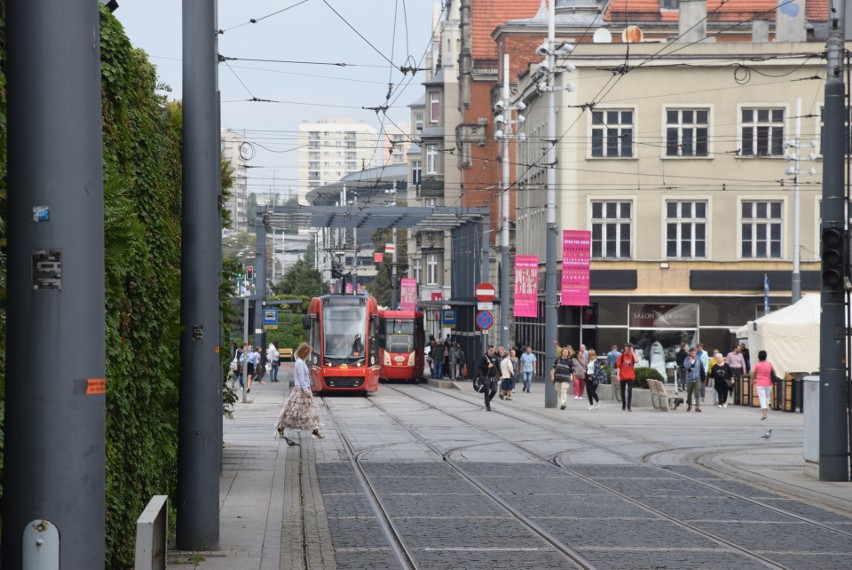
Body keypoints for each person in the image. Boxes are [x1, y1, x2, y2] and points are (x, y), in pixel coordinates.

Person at [275, 342, 324, 439]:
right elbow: (302, 378)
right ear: (304, 352)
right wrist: (306, 391)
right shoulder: (300, 363)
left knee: (307, 410)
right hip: (301, 390)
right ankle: (281, 427)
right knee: (293, 410)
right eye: (308, 353)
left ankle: (315, 430)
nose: (309, 355)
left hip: (302, 389)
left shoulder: (301, 361)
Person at [752, 350, 774, 420]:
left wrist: (752, 381)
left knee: (762, 398)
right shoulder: (769, 364)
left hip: (760, 384)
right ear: (766, 356)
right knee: (767, 398)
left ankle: (764, 414)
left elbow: (754, 374)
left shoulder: (757, 365)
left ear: (758, 357)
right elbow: (773, 372)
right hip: (769, 383)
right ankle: (766, 413)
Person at [615, 343, 637, 412]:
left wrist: (632, 352)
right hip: (623, 376)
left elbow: (636, 361)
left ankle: (629, 406)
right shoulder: (621, 356)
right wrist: (618, 375)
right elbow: (618, 366)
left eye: (627, 349)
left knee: (630, 391)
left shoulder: (632, 355)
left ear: (630, 349)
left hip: (630, 376)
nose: (626, 350)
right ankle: (624, 404)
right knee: (622, 391)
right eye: (625, 349)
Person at [479, 345, 500, 411]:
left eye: (493, 350)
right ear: (488, 350)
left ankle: (488, 400)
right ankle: (488, 406)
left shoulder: (495, 357)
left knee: (494, 390)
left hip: (493, 377)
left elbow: (498, 366)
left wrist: (500, 374)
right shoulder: (484, 357)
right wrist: (487, 366)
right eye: (491, 350)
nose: (492, 352)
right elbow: (480, 366)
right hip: (486, 377)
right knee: (487, 391)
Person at [684, 347, 705, 412]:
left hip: (697, 378)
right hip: (689, 379)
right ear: (689, 353)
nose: (693, 354)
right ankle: (689, 405)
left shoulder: (698, 359)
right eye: (692, 353)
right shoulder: (687, 359)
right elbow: (686, 366)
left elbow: (702, 368)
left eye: (694, 353)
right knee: (689, 393)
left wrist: (703, 377)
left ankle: (697, 406)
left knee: (697, 392)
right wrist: (690, 362)